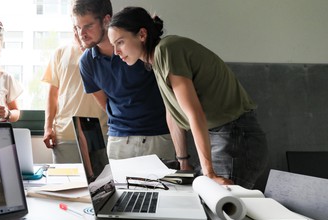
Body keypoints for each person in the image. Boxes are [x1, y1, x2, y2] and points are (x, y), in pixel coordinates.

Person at [108, 7, 269, 188]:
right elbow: (173, 114)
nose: (116, 52)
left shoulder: (167, 50)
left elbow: (194, 113)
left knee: (223, 208)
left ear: (142, 34)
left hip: (235, 137)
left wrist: (209, 173)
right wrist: (183, 161)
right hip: (223, 136)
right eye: (113, 45)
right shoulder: (156, 60)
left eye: (120, 42)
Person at [71, 0, 175, 162]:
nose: (82, 33)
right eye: (78, 27)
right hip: (118, 140)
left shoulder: (140, 48)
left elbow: (172, 94)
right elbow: (104, 103)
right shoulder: (87, 62)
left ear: (106, 20)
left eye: (88, 26)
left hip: (158, 135)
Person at [42, 26, 108, 163]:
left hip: (100, 134)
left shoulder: (105, 52)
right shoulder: (60, 52)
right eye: (77, 26)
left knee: (101, 183)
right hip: (65, 134)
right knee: (65, 184)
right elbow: (52, 93)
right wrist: (48, 127)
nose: (80, 31)